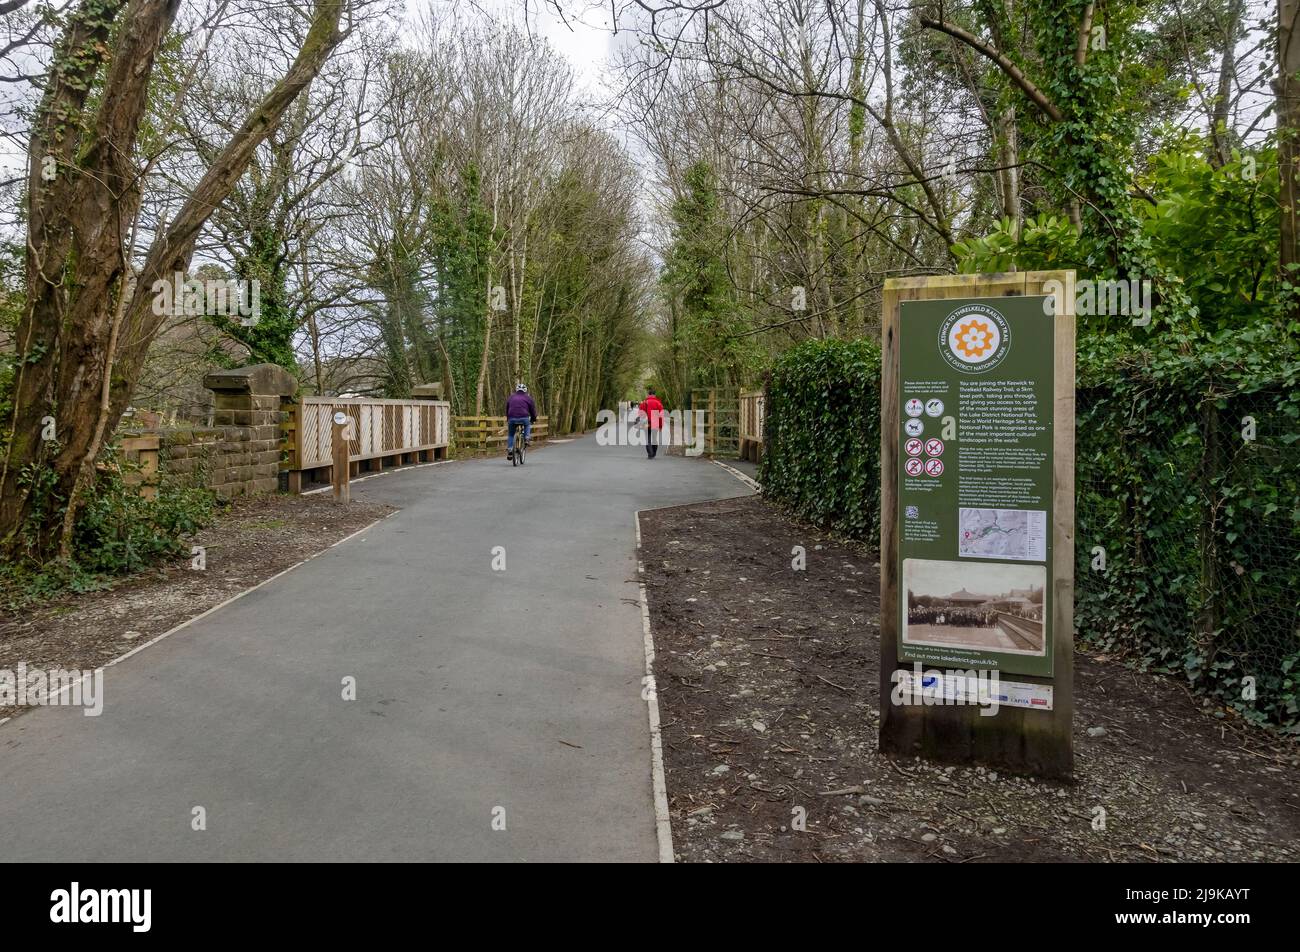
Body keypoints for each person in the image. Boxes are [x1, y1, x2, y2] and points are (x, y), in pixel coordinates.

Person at [505, 383, 537, 459]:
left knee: (511, 434)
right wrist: (533, 419)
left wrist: (508, 418)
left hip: (512, 418)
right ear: (525, 390)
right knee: (527, 424)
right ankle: (526, 438)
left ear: (516, 390)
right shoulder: (528, 398)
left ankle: (510, 450)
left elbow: (507, 408)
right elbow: (532, 410)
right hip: (524, 417)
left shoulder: (511, 397)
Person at [639, 387, 665, 459]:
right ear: (654, 395)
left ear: (648, 394)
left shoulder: (644, 402)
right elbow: (661, 416)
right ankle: (654, 453)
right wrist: (660, 426)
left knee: (648, 439)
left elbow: (641, 414)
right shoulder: (658, 403)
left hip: (646, 423)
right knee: (654, 438)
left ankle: (650, 454)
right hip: (655, 422)